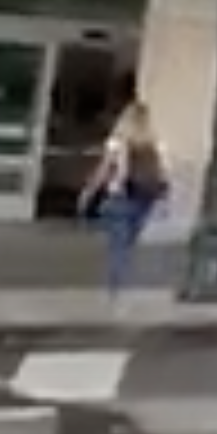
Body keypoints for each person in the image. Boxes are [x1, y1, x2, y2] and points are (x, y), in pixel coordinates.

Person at [81, 102, 170, 295]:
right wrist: (163, 197)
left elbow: (104, 170)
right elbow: (164, 174)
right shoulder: (157, 143)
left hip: (121, 196)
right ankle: (121, 283)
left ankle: (115, 288)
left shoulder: (117, 141)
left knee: (117, 245)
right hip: (145, 198)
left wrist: (89, 191)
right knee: (128, 243)